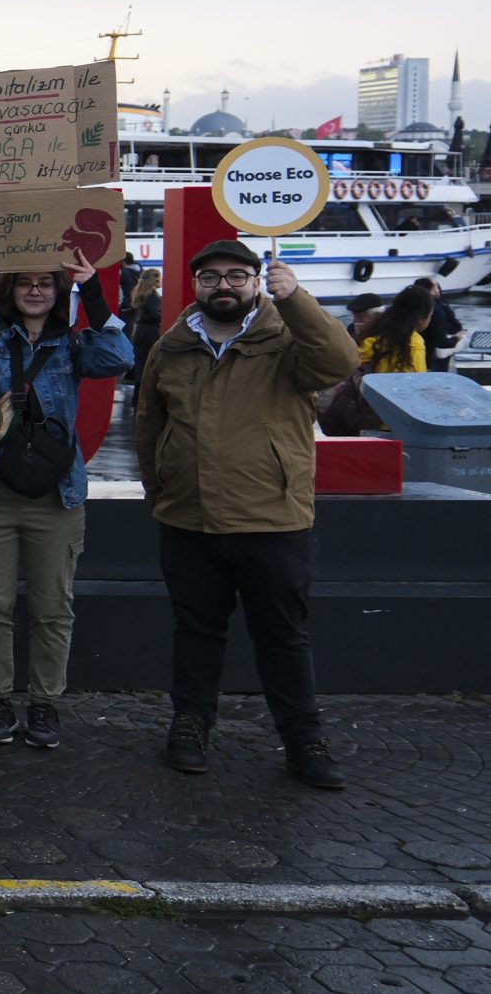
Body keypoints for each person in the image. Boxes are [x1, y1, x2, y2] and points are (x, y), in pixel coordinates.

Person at [139, 241, 360, 788]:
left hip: (272, 519)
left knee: (283, 636)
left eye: (237, 276)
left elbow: (341, 362)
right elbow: (149, 425)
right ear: (195, 285)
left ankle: (304, 739)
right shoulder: (172, 346)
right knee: (196, 631)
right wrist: (160, 490)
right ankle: (190, 724)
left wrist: (298, 300)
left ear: (257, 282)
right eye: (211, 277)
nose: (224, 286)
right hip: (188, 519)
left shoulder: (288, 339)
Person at [0, 161, 133, 751]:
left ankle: (45, 705)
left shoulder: (75, 347)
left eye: (47, 282)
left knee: (53, 608)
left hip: (56, 494)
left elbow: (118, 356)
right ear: (11, 288)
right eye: (25, 281)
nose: (35, 289)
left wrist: (93, 285)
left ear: (59, 289)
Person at [357, 281, 432, 376]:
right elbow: (419, 382)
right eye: (430, 316)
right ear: (421, 319)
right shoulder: (414, 344)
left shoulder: (374, 334)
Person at [123, 270, 163, 384]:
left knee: (140, 366)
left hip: (140, 332)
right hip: (150, 333)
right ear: (155, 279)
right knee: (148, 365)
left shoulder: (140, 293)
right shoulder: (153, 296)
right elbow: (155, 315)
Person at [422, 277, 464, 373]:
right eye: (436, 287)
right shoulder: (437, 309)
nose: (438, 290)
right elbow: (442, 341)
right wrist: (456, 338)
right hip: (430, 354)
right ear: (432, 291)